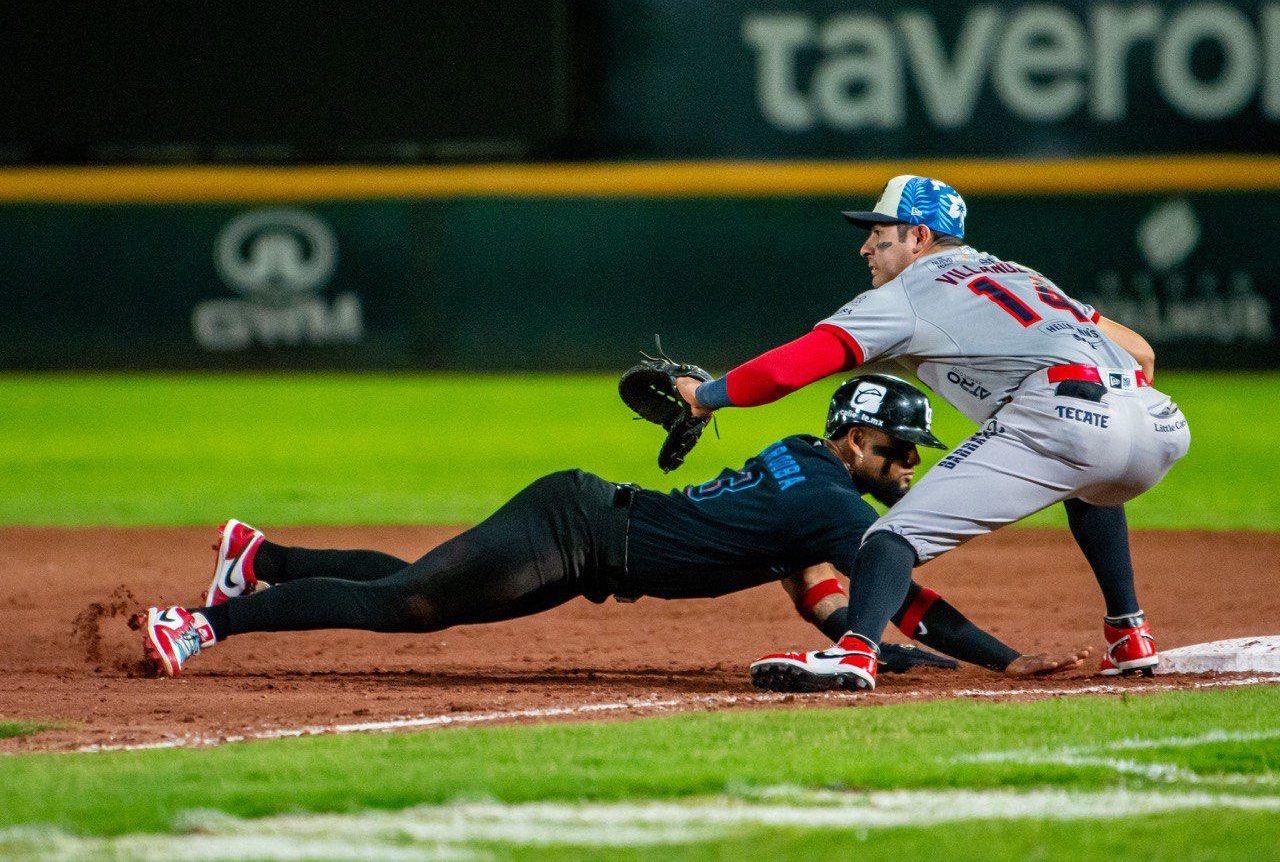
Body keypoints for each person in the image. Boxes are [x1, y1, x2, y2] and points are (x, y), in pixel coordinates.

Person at [136, 374, 1087, 681]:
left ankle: (258, 558)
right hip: (578, 527)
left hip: (591, 538)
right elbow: (906, 600)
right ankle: (204, 623)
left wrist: (889, 653)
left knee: (424, 588)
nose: (911, 466)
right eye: (900, 449)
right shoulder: (832, 502)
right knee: (409, 602)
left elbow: (829, 604)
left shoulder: (808, 463)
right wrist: (1003, 662)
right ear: (856, 435)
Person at [679, 175, 1189, 691]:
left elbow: (786, 371)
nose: (866, 245)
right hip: (1157, 420)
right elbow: (1141, 353)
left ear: (918, 237)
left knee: (887, 537)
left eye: (880, 232)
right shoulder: (1019, 274)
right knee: (1090, 483)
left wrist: (706, 395)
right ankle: (1129, 634)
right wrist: (1112, 411)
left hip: (1060, 415)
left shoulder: (912, 292)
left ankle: (854, 655)